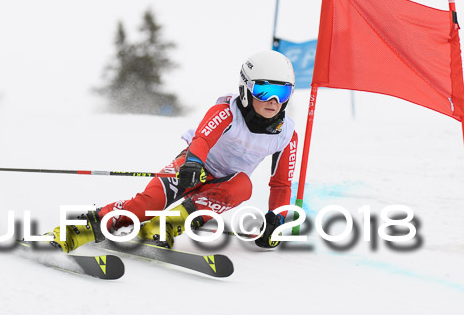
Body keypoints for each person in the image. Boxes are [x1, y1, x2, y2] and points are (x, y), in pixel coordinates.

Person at [49, 49, 299, 252]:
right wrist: (194, 163)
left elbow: (281, 185)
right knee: (147, 204)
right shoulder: (227, 112)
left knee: (243, 185)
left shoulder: (287, 134)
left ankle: (163, 227)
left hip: (223, 186)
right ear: (246, 89)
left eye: (283, 92)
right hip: (191, 168)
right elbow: (202, 139)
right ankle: (72, 231)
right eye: (265, 91)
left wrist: (276, 219)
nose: (274, 101)